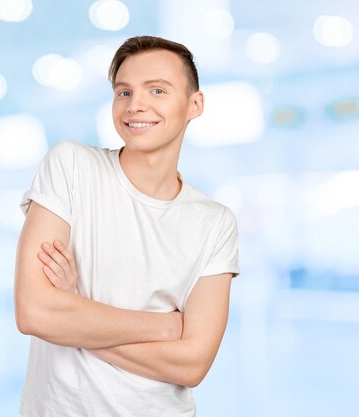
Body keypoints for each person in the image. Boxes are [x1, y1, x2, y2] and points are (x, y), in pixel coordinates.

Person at [14, 35, 240, 417]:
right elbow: (35, 313)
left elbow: (192, 364)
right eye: (124, 92)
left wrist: (76, 314)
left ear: (194, 105)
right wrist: (165, 327)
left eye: (157, 90)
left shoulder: (215, 223)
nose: (136, 105)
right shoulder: (70, 166)